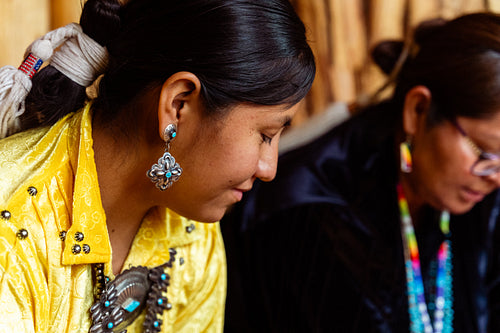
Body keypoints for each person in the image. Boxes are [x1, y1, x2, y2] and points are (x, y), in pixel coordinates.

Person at [0, 0, 315, 332]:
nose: (269, 169)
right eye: (265, 135)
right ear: (178, 106)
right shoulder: (12, 229)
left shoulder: (190, 227)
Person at [222, 12, 500, 333]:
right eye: (483, 151)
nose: (495, 176)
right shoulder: (304, 217)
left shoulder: (481, 198)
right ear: (417, 110)